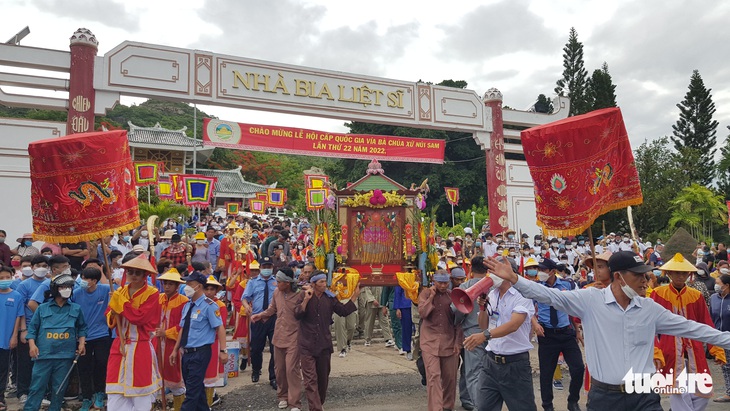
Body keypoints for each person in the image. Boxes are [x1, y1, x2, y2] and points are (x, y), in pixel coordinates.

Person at [483, 251, 730, 411]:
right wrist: (515, 279)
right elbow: (550, 296)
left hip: (645, 396)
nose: (646, 282)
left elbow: (694, 328)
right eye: (639, 276)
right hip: (605, 398)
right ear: (619, 277)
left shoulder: (649, 308)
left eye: (646, 276)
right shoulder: (590, 300)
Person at [652, 253, 726, 411]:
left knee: (702, 394)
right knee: (679, 393)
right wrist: (655, 349)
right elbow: (649, 325)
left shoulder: (696, 296)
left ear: (689, 275)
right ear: (669, 273)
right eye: (676, 272)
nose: (680, 276)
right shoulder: (658, 294)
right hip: (669, 350)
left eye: (684, 273)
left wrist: (716, 348)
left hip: (694, 349)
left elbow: (706, 323)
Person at [463, 257, 537, 411]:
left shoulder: (522, 295)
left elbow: (513, 325)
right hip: (491, 363)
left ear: (510, 272)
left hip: (515, 365)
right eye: (490, 270)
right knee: (483, 407)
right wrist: (482, 308)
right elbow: (484, 325)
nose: (489, 274)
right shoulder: (493, 294)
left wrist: (485, 336)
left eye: (494, 269)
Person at [294, 272, 359, 411]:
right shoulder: (303, 295)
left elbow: (342, 311)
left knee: (323, 379)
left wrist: (355, 296)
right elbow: (297, 314)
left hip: (324, 344)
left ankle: (319, 403)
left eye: (325, 281)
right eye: (321, 282)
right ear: (313, 284)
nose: (324, 285)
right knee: (310, 380)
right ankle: (316, 408)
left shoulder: (329, 298)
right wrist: (306, 300)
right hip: (306, 344)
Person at [105, 254, 162, 410]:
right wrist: (114, 309)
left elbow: (140, 318)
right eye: (130, 272)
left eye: (138, 272)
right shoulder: (120, 291)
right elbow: (110, 319)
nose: (134, 275)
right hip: (119, 346)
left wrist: (121, 303)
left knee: (140, 394)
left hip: (139, 346)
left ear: (145, 275)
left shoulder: (152, 293)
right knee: (115, 392)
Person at [24, 273, 87, 411]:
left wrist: (82, 343)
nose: (67, 289)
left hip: (65, 356)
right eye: (63, 287)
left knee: (59, 389)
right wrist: (32, 345)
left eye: (69, 287)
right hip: (43, 355)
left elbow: (82, 328)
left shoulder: (76, 308)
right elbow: (32, 329)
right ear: (55, 289)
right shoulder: (42, 308)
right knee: (36, 387)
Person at [533, 259, 584, 411]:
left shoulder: (567, 285)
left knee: (578, 368)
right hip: (547, 334)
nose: (540, 272)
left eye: (543, 269)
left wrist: (577, 329)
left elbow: (572, 308)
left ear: (552, 271)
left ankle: (573, 401)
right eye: (539, 269)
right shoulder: (537, 288)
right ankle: (547, 405)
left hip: (566, 333)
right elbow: (528, 309)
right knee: (546, 373)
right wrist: (535, 323)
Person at [251, 267, 303, 411]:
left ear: (287, 283)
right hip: (278, 336)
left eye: (279, 281)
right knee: (279, 370)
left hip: (294, 336)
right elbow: (272, 309)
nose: (276, 283)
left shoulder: (300, 295)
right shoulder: (276, 293)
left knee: (292, 370)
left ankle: (295, 403)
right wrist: (260, 315)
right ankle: (282, 397)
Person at [419, 270, 461, 411]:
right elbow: (423, 313)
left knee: (450, 378)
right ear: (434, 281)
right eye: (440, 283)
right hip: (429, 342)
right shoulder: (425, 294)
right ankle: (436, 408)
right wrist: (431, 296)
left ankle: (448, 406)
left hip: (449, 342)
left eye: (446, 283)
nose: (443, 286)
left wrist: (457, 342)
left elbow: (458, 322)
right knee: (434, 377)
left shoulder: (452, 296)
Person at [14, 254, 51, 403]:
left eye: (44, 265)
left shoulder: (50, 283)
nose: (41, 268)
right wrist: (23, 330)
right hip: (29, 327)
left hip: (46, 329)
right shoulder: (24, 285)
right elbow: (21, 308)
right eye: (38, 265)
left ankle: (41, 393)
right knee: (25, 362)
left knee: (42, 362)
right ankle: (23, 392)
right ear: (33, 267)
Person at [73, 267, 111, 411]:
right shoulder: (76, 294)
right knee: (83, 366)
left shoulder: (106, 290)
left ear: (94, 281)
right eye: (82, 277)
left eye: (85, 279)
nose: (82, 281)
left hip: (102, 334)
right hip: (82, 336)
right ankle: (87, 397)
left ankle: (99, 393)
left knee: (101, 363)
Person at [454, 257, 490, 411]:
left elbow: (456, 312)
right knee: (487, 371)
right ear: (487, 270)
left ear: (470, 270)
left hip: (472, 333)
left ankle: (477, 405)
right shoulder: (493, 286)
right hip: (492, 333)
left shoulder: (465, 286)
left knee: (473, 371)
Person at [154, 268, 188, 410]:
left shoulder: (183, 301)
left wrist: (166, 333)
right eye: (165, 283)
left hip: (174, 344)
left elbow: (184, 326)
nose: (166, 287)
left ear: (177, 286)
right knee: (157, 373)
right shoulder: (158, 298)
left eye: (170, 284)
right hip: (157, 342)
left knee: (175, 376)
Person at [242, 256, 277, 386]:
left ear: (272, 268)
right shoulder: (253, 282)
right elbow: (245, 298)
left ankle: (273, 376)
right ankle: (256, 370)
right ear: (260, 268)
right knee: (256, 348)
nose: (266, 269)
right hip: (257, 318)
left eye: (269, 267)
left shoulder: (277, 282)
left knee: (275, 349)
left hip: (273, 318)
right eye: (264, 267)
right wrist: (246, 306)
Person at [0, 266, 23, 411]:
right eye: (1, 278)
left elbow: (18, 317)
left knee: (3, 369)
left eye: (7, 277)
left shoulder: (17, 296)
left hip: (6, 339)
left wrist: (14, 336)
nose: (4, 280)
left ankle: (1, 398)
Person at [710, 274, 730, 403]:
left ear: (727, 285)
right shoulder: (713, 298)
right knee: (726, 366)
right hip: (719, 338)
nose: (716, 285)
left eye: (718, 283)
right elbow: (711, 317)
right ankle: (729, 392)